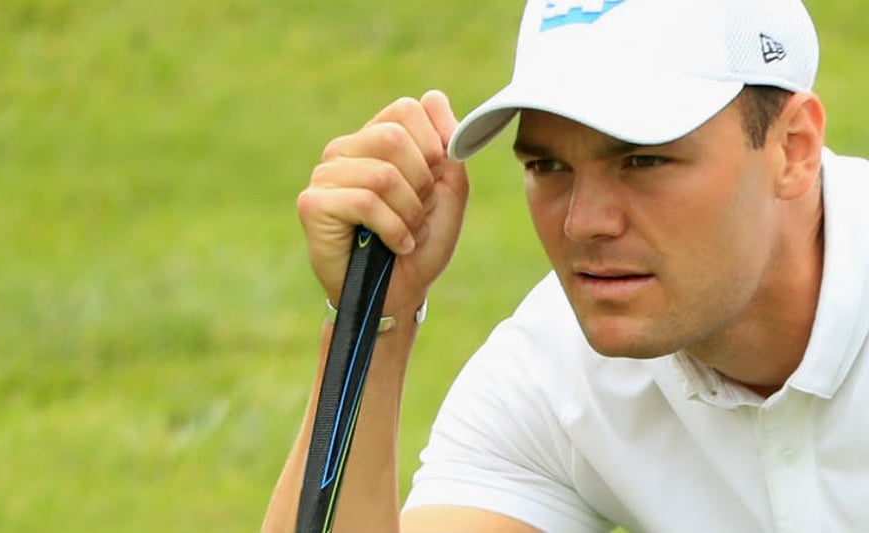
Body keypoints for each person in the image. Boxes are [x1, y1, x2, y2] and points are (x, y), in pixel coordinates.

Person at [262, 0, 869, 531]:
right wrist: (371, 316)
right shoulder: (548, 371)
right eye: (548, 167)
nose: (584, 223)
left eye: (643, 161)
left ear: (793, 150)